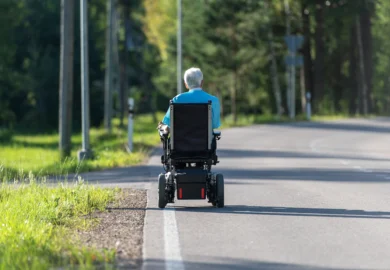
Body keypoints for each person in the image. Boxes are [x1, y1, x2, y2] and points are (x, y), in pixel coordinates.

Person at [157, 67, 221, 133]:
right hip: (204, 141)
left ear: (186, 84)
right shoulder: (213, 100)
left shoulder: (177, 100)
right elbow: (215, 125)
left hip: (180, 141)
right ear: (202, 82)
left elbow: (166, 123)